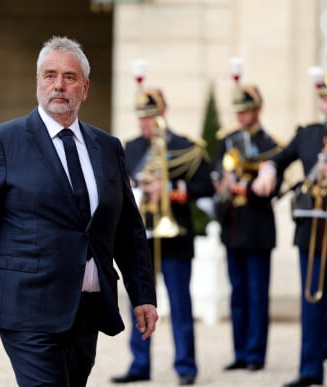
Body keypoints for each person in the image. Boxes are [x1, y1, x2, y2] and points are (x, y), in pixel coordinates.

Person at [0, 36, 158, 387]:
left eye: (69, 77)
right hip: (25, 304)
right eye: (49, 75)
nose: (59, 85)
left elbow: (128, 230)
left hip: (85, 308)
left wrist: (143, 296)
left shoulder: (107, 148)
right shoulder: (3, 142)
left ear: (85, 88)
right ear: (38, 83)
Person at [252, 70, 327, 387]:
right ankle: (310, 369)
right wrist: (268, 171)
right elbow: (280, 158)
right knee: (311, 305)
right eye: (325, 100)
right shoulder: (308, 134)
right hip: (312, 229)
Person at [110, 88, 213, 385]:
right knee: (138, 301)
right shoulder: (129, 149)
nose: (146, 124)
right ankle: (139, 364)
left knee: (180, 304)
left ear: (163, 114)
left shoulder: (186, 147)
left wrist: (173, 190)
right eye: (141, 118)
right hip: (141, 235)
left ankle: (186, 366)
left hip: (176, 235)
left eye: (151, 117)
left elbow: (206, 185)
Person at [212, 84, 282, 372]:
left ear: (258, 109)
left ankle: (256, 353)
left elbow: (274, 189)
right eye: (239, 111)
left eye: (247, 110)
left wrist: (246, 186)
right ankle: (240, 351)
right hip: (233, 227)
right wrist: (222, 181)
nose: (242, 116)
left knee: (257, 294)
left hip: (258, 228)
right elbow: (215, 172)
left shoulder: (271, 145)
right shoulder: (227, 140)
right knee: (237, 293)